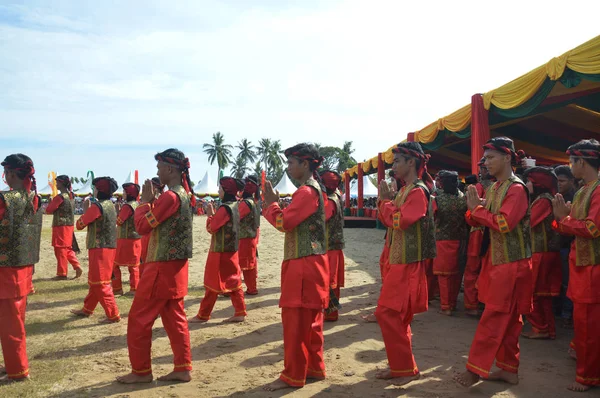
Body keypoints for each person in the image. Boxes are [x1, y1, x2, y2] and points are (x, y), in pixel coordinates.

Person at [455, 137, 532, 387]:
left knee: (494, 316)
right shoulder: (497, 187)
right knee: (508, 320)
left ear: (507, 157)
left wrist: (477, 211)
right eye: (485, 158)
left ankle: (475, 369)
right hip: (500, 261)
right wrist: (472, 211)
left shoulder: (516, 189)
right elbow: (482, 218)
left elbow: (503, 223)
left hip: (512, 264)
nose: (485, 163)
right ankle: (509, 369)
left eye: (490, 158)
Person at [116, 148, 194, 384]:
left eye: (160, 167)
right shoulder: (183, 195)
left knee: (139, 319)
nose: (157, 171)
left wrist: (144, 203)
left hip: (161, 266)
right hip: (175, 267)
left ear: (170, 169)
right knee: (174, 317)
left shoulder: (171, 197)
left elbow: (142, 227)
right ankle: (182, 367)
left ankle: (141, 371)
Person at [262, 143, 329, 391]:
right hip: (312, 262)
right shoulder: (313, 190)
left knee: (296, 322)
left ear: (305, 164)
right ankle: (314, 368)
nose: (288, 167)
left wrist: (270, 204)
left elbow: (284, 222)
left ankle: (293, 375)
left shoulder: (306, 192)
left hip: (303, 264)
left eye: (291, 162)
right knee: (311, 322)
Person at [375, 142, 435, 386]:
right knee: (395, 316)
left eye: (397, 160)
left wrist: (385, 202)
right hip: (399, 261)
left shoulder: (417, 191)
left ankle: (404, 368)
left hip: (407, 264)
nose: (394, 166)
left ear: (412, 162)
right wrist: (387, 202)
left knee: (388, 313)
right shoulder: (406, 190)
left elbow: (400, 220)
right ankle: (402, 366)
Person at [552, 139, 600, 392]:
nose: (570, 166)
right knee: (585, 322)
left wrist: (564, 219)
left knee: (589, 324)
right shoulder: (584, 190)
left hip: (594, 267)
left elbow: (592, 228)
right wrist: (565, 220)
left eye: (571, 162)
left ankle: (588, 376)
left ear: (581, 162)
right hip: (582, 264)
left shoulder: (598, 189)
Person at [0, 154, 42, 383]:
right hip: (23, 269)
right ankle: (13, 365)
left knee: (10, 325)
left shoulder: (6, 199)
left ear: (10, 174)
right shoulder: (33, 198)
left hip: (5, 270)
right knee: (14, 322)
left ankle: (18, 369)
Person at [190, 176, 247, 323]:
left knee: (213, 282)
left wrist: (210, 216)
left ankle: (203, 314)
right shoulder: (236, 205)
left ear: (226, 190)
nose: (218, 190)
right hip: (232, 249)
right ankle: (240, 311)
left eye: (220, 188)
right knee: (234, 281)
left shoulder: (225, 208)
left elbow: (212, 227)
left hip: (220, 250)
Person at [71, 177, 121, 323]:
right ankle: (87, 308)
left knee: (100, 282)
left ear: (99, 190)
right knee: (96, 280)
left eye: (95, 188)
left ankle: (113, 314)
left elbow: (80, 224)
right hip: (108, 247)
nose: (94, 191)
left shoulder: (97, 206)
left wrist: (86, 211)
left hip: (99, 248)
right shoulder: (110, 205)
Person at [522, 167, 561, 340]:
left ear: (538, 184)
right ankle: (548, 328)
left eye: (529, 181)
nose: (527, 184)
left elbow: (528, 222)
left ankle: (540, 327)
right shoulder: (545, 199)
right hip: (546, 251)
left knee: (533, 292)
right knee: (543, 294)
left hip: (541, 252)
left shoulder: (543, 201)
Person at [432, 170, 467, 316]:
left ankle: (446, 306)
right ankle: (452, 302)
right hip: (461, 239)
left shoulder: (437, 199)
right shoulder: (463, 198)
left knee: (444, 275)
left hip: (442, 240)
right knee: (457, 274)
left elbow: (432, 217)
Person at [464, 158, 494, 315]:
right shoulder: (501, 186)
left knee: (472, 270)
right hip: (493, 233)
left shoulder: (480, 187)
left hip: (479, 232)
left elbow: (471, 215)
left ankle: (472, 304)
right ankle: (484, 302)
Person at [45, 174, 82, 280]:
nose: (56, 184)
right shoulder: (71, 196)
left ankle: (62, 273)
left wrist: (50, 201)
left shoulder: (60, 197)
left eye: (58, 182)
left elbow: (48, 210)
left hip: (60, 226)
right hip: (69, 225)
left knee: (60, 249)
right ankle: (76, 265)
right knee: (68, 248)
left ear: (62, 183)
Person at [320, 170, 345, 322]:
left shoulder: (330, 200)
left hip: (330, 247)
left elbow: (323, 217)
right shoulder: (336, 195)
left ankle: (330, 313)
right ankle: (330, 312)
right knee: (331, 281)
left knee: (330, 282)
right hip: (332, 245)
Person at [555, 165, 577, 328]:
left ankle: (567, 313)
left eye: (562, 181)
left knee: (569, 282)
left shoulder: (575, 197)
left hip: (571, 244)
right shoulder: (558, 196)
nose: (559, 184)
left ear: (571, 181)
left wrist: (563, 219)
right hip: (560, 243)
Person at [113, 183, 142, 296]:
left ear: (129, 193)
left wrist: (117, 211)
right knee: (134, 266)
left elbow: (119, 221)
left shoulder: (127, 206)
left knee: (114, 265)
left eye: (124, 192)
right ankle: (134, 288)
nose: (123, 194)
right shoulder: (137, 204)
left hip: (125, 240)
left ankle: (117, 288)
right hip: (136, 239)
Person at [239, 175, 261, 296]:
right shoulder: (253, 202)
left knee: (242, 264)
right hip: (251, 237)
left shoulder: (246, 203)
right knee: (250, 264)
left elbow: (235, 217)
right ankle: (252, 288)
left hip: (244, 238)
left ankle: (232, 288)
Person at [139, 177, 164, 277]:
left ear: (156, 189)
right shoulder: (159, 201)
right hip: (148, 237)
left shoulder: (157, 203)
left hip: (151, 237)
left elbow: (142, 222)